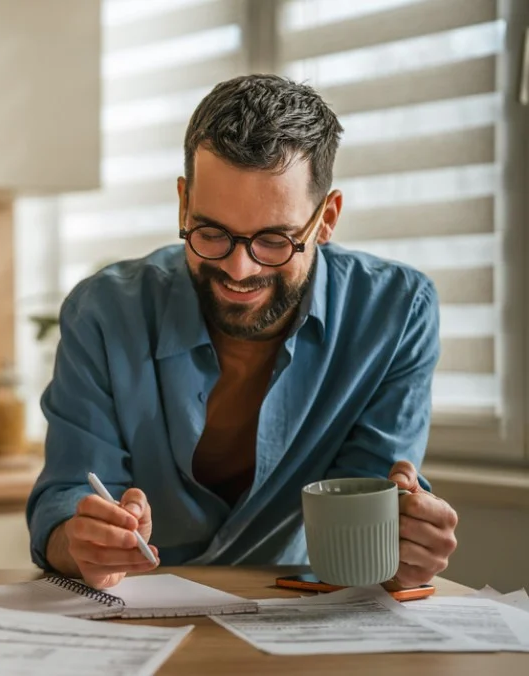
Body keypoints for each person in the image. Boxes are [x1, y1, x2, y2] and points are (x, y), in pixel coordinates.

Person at [26, 74, 459, 590]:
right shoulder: (103, 312)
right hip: (136, 617)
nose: (238, 269)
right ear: (183, 203)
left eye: (274, 241)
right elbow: (66, 500)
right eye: (211, 233)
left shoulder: (395, 312)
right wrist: (81, 541)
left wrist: (404, 539)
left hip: (303, 612)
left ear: (327, 218)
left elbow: (373, 503)